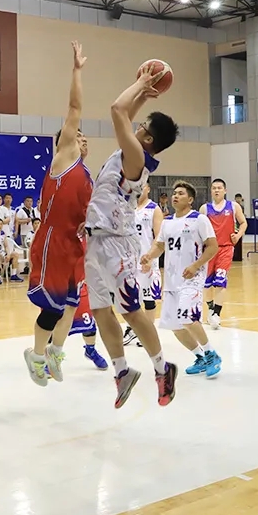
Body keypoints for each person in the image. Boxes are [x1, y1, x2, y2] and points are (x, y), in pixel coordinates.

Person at [85, 65, 180, 408]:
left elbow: (117, 110)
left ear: (148, 139)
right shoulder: (135, 149)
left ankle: (162, 368)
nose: (136, 126)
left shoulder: (136, 155)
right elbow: (126, 116)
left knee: (132, 311)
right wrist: (143, 94)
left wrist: (139, 84)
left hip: (116, 242)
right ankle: (122, 371)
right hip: (96, 239)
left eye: (142, 127)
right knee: (100, 311)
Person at [24, 41, 93, 387]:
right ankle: (36, 355)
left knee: (71, 304)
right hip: (53, 241)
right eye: (76, 135)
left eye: (83, 136)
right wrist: (77, 70)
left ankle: (55, 353)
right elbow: (75, 106)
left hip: (73, 244)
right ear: (65, 140)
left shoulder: (86, 174)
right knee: (51, 308)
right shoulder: (64, 159)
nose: (82, 139)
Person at [141, 181, 221, 378]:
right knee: (175, 327)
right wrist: (149, 256)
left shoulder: (199, 219)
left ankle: (211, 354)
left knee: (188, 318)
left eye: (181, 193)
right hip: (171, 280)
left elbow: (212, 246)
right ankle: (200, 357)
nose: (175, 196)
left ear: (190, 199)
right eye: (174, 193)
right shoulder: (167, 222)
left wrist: (196, 265)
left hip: (192, 279)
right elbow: (160, 245)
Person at [203, 177, 246, 329]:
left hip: (226, 248)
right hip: (209, 250)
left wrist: (238, 235)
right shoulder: (205, 209)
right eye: (214, 188)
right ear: (211, 190)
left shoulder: (233, 206)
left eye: (219, 188)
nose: (216, 190)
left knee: (220, 281)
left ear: (225, 190)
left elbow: (243, 223)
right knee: (206, 284)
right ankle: (210, 308)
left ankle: (216, 313)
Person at [122, 182, 162, 347]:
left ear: (148, 189)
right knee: (131, 298)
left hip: (146, 260)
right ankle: (132, 329)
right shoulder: (127, 207)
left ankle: (148, 332)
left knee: (148, 299)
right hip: (129, 261)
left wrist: (150, 258)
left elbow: (159, 237)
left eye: (143, 186)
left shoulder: (154, 209)